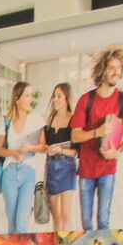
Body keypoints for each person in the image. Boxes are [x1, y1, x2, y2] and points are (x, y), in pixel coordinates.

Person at [71, 44, 123, 232]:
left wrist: (117, 151)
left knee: (104, 220)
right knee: (86, 222)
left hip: (108, 168)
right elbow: (75, 135)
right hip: (87, 168)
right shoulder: (86, 99)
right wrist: (96, 132)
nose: (116, 72)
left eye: (119, 68)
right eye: (112, 67)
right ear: (102, 70)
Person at [0, 81, 45, 234]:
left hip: (28, 172)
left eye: (31, 95)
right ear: (17, 99)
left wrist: (30, 147)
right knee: (12, 224)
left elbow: (43, 147)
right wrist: (14, 153)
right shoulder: (6, 121)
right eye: (26, 96)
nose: (30, 99)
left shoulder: (36, 119)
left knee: (22, 225)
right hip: (9, 172)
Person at [42, 83, 80, 233]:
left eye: (59, 96)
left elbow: (76, 152)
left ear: (67, 98)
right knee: (56, 217)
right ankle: (57, 242)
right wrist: (48, 149)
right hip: (51, 168)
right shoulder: (49, 119)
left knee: (66, 216)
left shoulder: (74, 120)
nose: (55, 99)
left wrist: (61, 150)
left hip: (67, 168)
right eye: (54, 96)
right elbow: (44, 145)